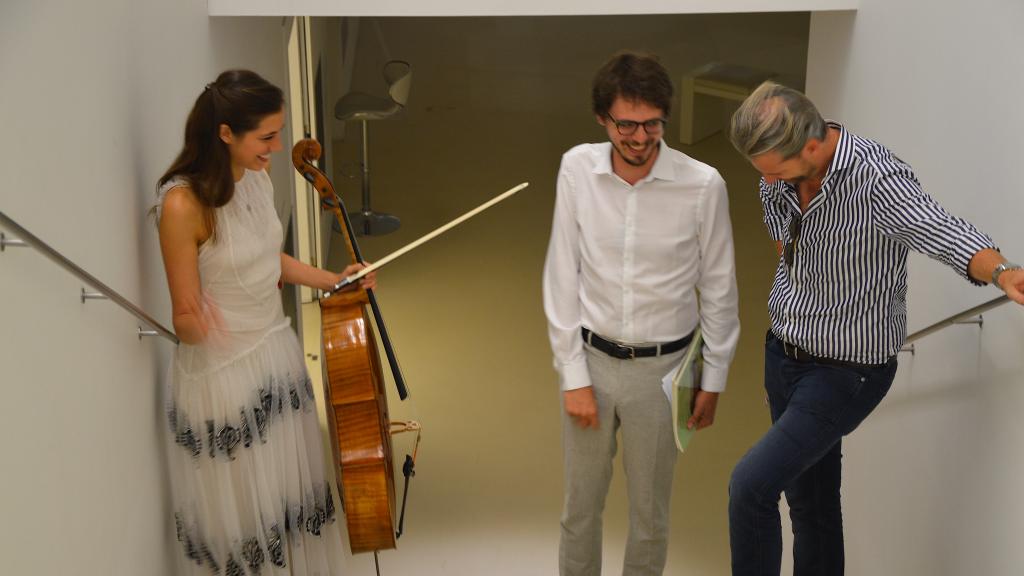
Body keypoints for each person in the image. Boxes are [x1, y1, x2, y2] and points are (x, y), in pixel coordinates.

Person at [726, 80, 1024, 576]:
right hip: (783, 353)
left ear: (813, 145)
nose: (769, 181)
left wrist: (1002, 271)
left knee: (750, 485)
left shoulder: (876, 180)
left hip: (846, 370)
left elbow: (942, 229)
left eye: (776, 170)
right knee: (811, 500)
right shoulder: (776, 174)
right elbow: (788, 247)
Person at [156, 69, 373, 575]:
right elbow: (183, 314)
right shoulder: (182, 205)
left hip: (275, 354)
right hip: (224, 376)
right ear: (226, 133)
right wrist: (194, 323)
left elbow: (266, 258)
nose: (276, 148)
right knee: (245, 520)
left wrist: (334, 280)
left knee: (284, 503)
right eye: (267, 137)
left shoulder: (254, 176)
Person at [543, 51, 740, 576]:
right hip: (592, 362)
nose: (638, 137)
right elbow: (562, 276)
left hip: (664, 374)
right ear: (602, 119)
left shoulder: (703, 186)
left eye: (652, 123)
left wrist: (713, 379)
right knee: (579, 512)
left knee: (650, 519)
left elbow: (719, 290)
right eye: (625, 124)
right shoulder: (577, 170)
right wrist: (572, 375)